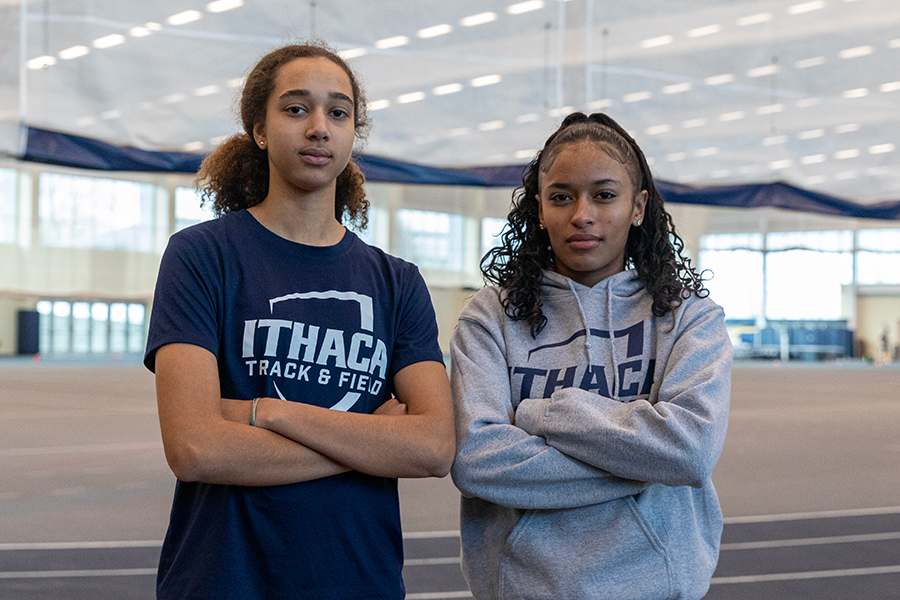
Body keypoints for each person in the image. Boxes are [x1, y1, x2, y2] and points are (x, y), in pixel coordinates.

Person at [144, 42, 454, 599]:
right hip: (224, 580)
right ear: (259, 130)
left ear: (353, 133)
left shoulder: (397, 281)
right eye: (295, 109)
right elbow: (195, 449)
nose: (319, 127)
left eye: (338, 112)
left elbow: (432, 447)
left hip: (358, 580)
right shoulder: (201, 256)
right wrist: (370, 440)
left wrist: (263, 412)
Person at [450, 112, 732, 599]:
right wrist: (643, 463)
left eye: (604, 195)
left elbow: (689, 450)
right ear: (539, 209)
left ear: (638, 206)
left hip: (657, 587)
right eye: (561, 197)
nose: (582, 214)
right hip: (524, 587)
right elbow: (478, 461)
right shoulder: (490, 316)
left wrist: (544, 414)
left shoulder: (688, 315)